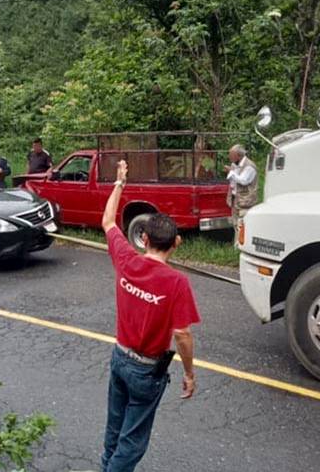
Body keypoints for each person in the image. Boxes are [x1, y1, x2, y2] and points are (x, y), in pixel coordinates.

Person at [100, 160, 200, 472]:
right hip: (146, 371)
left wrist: (119, 184)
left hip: (119, 358)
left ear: (144, 239)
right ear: (177, 243)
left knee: (114, 431)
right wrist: (189, 373)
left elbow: (107, 222)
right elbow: (182, 335)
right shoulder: (176, 283)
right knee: (132, 442)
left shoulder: (127, 259)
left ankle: (106, 466)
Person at [224, 144, 258, 242]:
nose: (229, 156)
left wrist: (231, 172)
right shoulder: (235, 164)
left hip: (245, 200)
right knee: (235, 223)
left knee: (243, 224)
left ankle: (243, 246)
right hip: (235, 198)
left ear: (238, 155)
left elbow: (243, 181)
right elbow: (233, 182)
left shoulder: (250, 166)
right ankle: (237, 247)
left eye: (231, 154)